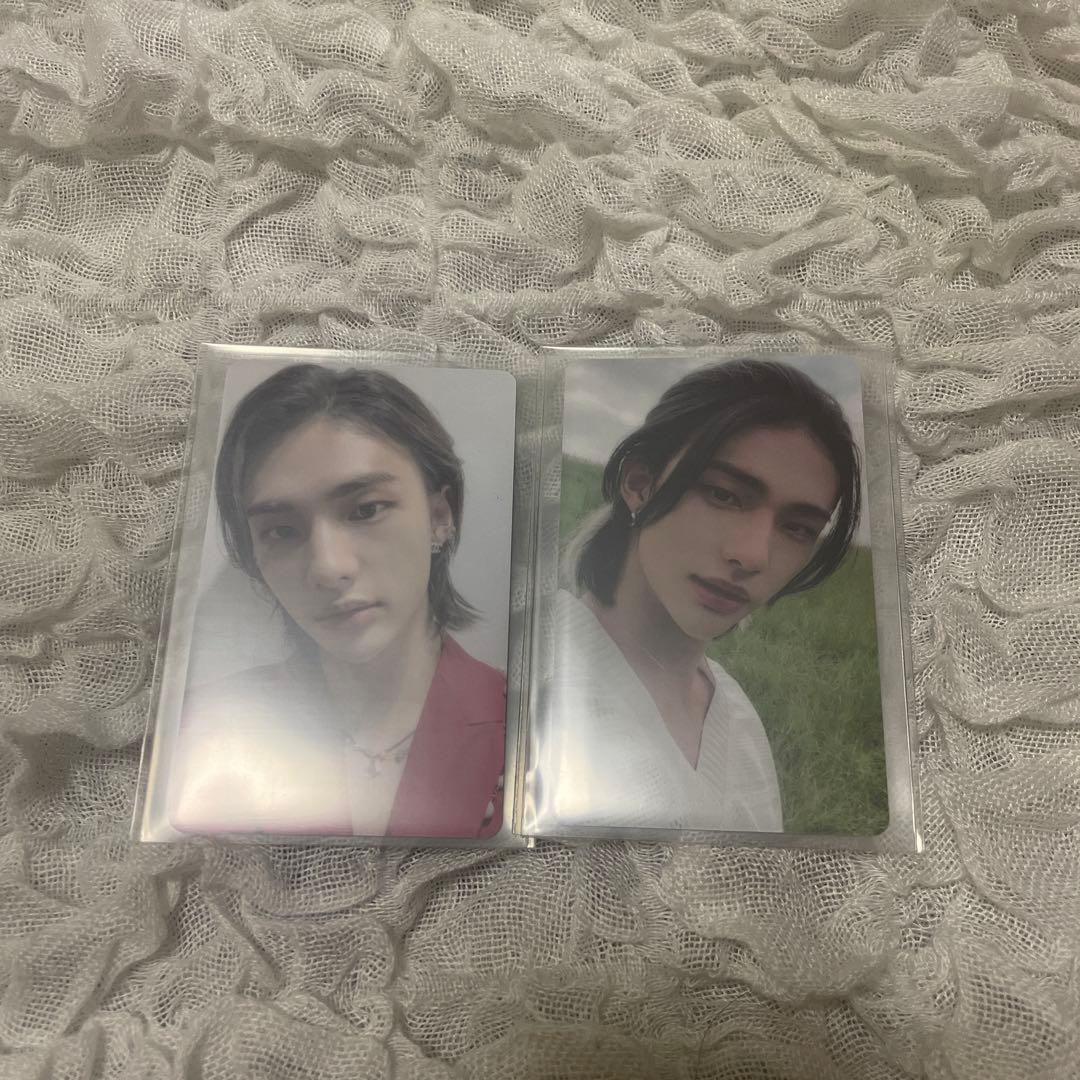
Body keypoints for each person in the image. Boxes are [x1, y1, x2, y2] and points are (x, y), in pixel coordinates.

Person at [169, 364, 506, 839]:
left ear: (439, 516)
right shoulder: (201, 727)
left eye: (365, 510)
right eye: (281, 531)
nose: (328, 568)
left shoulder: (528, 723)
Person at [531, 359, 861, 834]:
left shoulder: (741, 721)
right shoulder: (527, 676)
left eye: (798, 528)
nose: (753, 555)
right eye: (724, 495)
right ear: (639, 483)